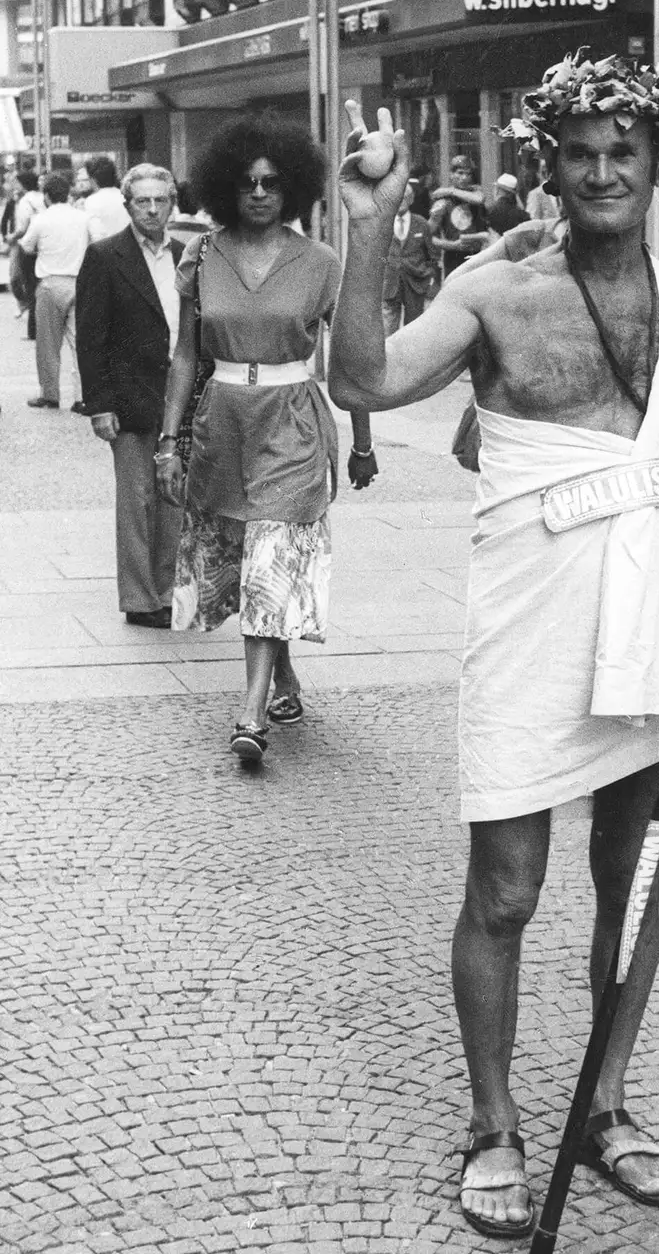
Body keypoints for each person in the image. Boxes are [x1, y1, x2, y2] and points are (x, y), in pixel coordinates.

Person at [329, 50, 659, 1239]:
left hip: (653, 620)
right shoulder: (496, 296)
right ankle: (495, 1126)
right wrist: (369, 225)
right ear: (551, 166)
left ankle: (605, 1106)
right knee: (506, 889)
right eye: (579, 153)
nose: (601, 172)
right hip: (530, 620)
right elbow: (363, 379)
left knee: (631, 887)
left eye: (622, 151)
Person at [153, 115, 378, 766]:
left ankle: (251, 713)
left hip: (293, 420)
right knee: (245, 558)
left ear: (293, 188)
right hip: (222, 423)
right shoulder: (202, 255)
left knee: (272, 558)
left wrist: (362, 442)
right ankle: (283, 678)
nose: (259, 192)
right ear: (226, 186)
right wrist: (168, 443)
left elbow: (353, 360)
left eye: (272, 182)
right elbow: (185, 355)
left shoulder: (321, 262)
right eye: (247, 181)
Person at [76, 164, 185, 628]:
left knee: (174, 497)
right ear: (128, 205)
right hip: (129, 397)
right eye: (143, 201)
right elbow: (90, 337)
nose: (153, 209)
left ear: (172, 203)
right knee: (138, 499)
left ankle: (167, 591)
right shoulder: (105, 257)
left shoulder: (185, 254)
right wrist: (99, 405)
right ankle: (141, 600)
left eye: (160, 200)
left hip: (179, 394)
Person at [20, 170, 89, 410]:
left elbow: (26, 246)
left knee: (48, 344)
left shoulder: (41, 219)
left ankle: (50, 394)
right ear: (68, 193)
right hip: (80, 282)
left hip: (50, 284)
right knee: (80, 342)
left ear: (46, 196)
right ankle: (82, 397)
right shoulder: (83, 218)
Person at [383, 176, 437, 334]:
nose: (400, 201)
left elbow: (432, 255)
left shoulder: (421, 223)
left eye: (404, 198)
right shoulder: (383, 223)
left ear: (411, 200)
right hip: (390, 283)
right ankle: (391, 351)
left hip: (415, 283)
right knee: (388, 329)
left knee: (413, 329)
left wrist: (427, 278)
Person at [429, 154, 490, 278]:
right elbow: (428, 235)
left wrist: (450, 191)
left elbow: (479, 199)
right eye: (460, 173)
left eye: (468, 174)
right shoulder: (443, 202)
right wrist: (451, 245)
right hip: (453, 257)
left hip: (477, 254)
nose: (464, 178)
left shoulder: (475, 192)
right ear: (451, 174)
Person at [10, 169, 43, 338]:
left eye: (16, 182)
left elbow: (22, 228)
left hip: (28, 246)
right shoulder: (43, 196)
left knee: (27, 284)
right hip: (43, 245)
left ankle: (33, 329)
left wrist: (11, 237)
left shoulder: (25, 201)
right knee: (39, 284)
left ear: (23, 183)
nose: (14, 185)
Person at [83, 156, 131, 242]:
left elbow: (96, 234)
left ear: (93, 180)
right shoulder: (126, 197)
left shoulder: (92, 201)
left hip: (107, 247)